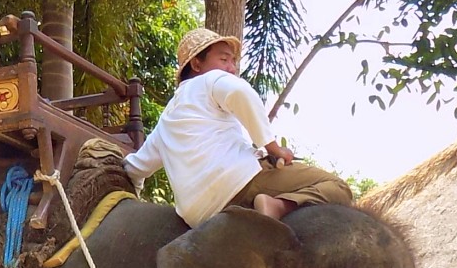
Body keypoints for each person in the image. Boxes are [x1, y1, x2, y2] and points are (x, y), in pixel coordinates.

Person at [124, 27, 355, 227]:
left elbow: (135, 168)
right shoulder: (209, 80)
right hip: (240, 183)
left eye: (233, 61)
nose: (232, 68)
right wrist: (273, 148)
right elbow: (240, 92)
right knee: (338, 187)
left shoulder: (165, 122)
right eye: (224, 59)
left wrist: (134, 192)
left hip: (198, 215)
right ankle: (277, 206)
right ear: (196, 64)